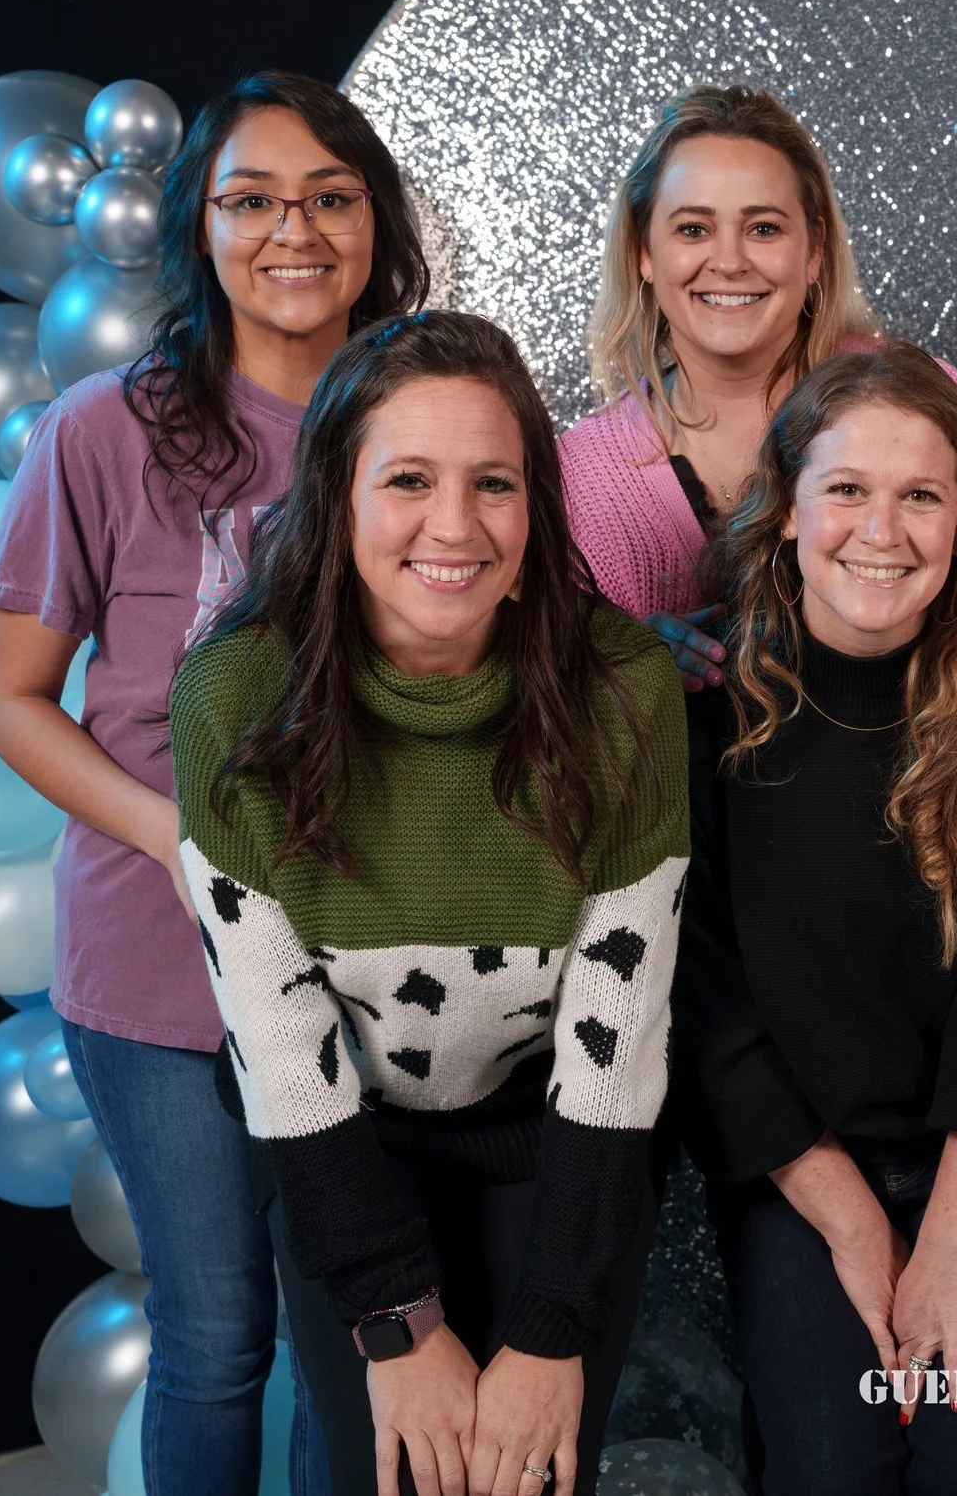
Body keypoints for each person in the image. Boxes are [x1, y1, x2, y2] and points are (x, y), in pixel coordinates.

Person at [0, 69, 428, 1495]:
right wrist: (181, 838)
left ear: (377, 222)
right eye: (251, 198)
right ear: (201, 227)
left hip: (379, 963)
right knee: (219, 1333)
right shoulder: (108, 430)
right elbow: (12, 697)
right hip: (164, 964)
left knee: (367, 1334)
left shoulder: (433, 419)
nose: (292, 230)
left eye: (330, 196)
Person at [170, 310, 688, 1496]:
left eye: (492, 483)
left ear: (534, 506)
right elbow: (289, 1061)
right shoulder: (230, 696)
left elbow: (616, 1052)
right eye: (408, 478)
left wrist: (551, 1327)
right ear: (337, 494)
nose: (454, 526)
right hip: (350, 1143)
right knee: (391, 1472)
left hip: (552, 1145)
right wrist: (399, 1326)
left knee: (530, 1468)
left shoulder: (622, 691)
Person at [672, 341, 957, 1496]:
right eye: (846, 489)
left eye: (921, 495)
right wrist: (859, 1232)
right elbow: (702, 996)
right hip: (800, 1167)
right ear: (788, 508)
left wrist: (949, 1241)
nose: (882, 528)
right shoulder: (704, 707)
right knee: (826, 1461)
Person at [558, 83, 957, 700]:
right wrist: (617, 659)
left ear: (815, 251)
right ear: (644, 252)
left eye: (763, 227)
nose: (729, 262)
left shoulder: (918, 395)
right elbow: (539, 673)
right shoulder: (580, 476)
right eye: (694, 229)